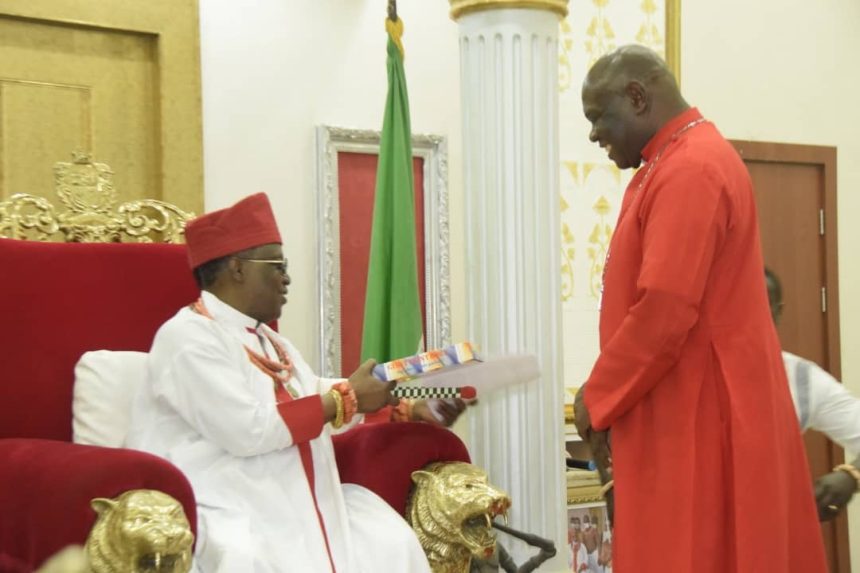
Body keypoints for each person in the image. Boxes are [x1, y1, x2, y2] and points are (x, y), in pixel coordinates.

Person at [572, 45, 826, 571]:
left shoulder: (691, 167)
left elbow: (665, 307)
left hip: (700, 411)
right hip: (687, 400)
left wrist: (596, 397)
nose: (594, 134)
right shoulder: (674, 160)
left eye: (599, 117)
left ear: (637, 97)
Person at [126, 193, 462, 572]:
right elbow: (247, 430)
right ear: (237, 268)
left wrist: (408, 408)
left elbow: (312, 393)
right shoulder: (187, 337)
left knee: (389, 540)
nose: (286, 278)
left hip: (293, 501)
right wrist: (346, 398)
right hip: (228, 505)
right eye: (276, 265)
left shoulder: (270, 340)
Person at [765, 267, 860, 519]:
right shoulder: (679, 373)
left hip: (768, 528)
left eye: (762, 303)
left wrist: (851, 475)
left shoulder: (800, 378)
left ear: (779, 311)